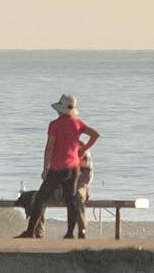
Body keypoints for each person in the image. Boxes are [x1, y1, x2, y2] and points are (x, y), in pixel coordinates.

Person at [17, 93, 100, 239]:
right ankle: (69, 233)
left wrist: (45, 168)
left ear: (59, 110)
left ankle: (31, 231)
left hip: (58, 168)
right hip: (74, 168)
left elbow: (49, 148)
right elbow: (95, 135)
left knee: (40, 198)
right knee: (71, 199)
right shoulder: (78, 123)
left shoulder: (54, 125)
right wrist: (84, 148)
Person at [66, 149, 93, 239]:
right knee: (40, 197)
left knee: (78, 197)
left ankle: (82, 230)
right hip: (65, 186)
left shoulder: (83, 151)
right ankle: (38, 232)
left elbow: (86, 177)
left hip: (81, 186)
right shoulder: (61, 149)